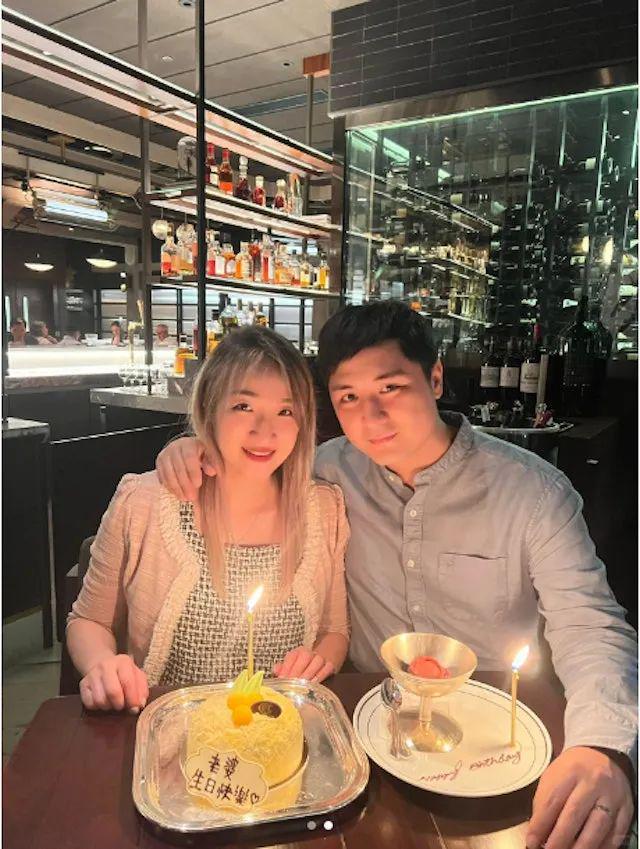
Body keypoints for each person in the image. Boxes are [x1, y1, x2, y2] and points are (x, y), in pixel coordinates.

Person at [157, 301, 637, 849]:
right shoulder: (326, 472)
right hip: (368, 734)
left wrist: (604, 746)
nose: (372, 417)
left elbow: (590, 626)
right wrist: (189, 449)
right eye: (348, 397)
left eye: (391, 388)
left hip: (498, 742)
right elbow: (245, 458)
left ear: (435, 379)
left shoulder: (533, 493)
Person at [67, 325, 349, 714]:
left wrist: (319, 660)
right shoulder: (144, 502)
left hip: (280, 728)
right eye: (243, 406)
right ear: (208, 410)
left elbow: (335, 630)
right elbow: (87, 620)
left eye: (285, 411)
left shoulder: (325, 508)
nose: (264, 431)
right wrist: (104, 665)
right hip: (165, 726)